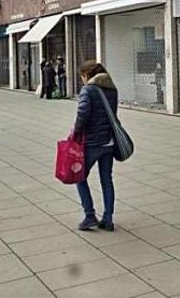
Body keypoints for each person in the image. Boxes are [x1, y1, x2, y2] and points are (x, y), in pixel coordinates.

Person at [72, 61, 118, 231]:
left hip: (91, 143)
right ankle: (108, 219)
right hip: (109, 141)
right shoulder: (112, 89)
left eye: (82, 76)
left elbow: (82, 114)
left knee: (79, 177)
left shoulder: (88, 90)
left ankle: (89, 215)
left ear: (88, 75)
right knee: (107, 179)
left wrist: (75, 132)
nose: (82, 80)